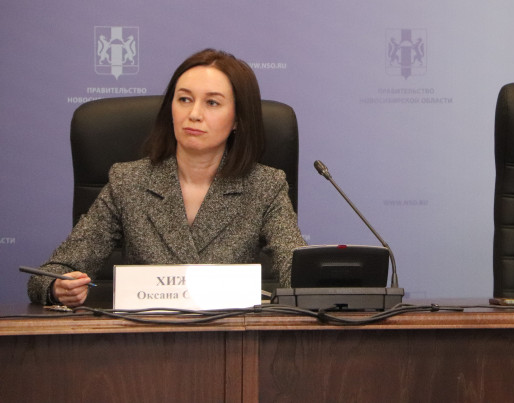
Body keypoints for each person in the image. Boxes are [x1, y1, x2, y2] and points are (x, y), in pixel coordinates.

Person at [28, 49, 306, 306]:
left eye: (212, 103)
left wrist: (316, 286)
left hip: (230, 336)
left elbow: (297, 272)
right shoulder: (128, 182)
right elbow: (50, 274)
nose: (194, 114)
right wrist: (57, 287)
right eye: (184, 99)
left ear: (237, 120)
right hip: (147, 336)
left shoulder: (264, 186)